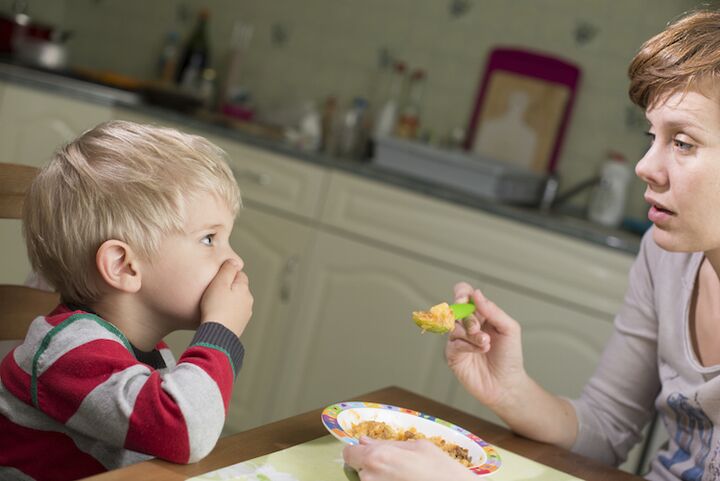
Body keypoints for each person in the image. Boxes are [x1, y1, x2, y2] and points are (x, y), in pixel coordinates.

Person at [344, 8, 720, 481]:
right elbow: (605, 430)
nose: (645, 166)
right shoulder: (663, 257)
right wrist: (510, 391)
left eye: (682, 142)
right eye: (653, 136)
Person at [0, 121, 254, 480]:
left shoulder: (144, 350)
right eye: (210, 239)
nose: (235, 261)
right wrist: (221, 332)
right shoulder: (69, 352)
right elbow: (186, 432)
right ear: (123, 266)